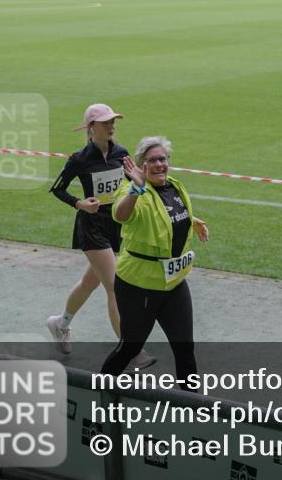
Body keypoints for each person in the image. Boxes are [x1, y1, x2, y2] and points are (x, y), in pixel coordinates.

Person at [46, 103, 155, 371]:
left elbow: (131, 185)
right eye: (106, 122)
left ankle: (60, 323)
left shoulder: (122, 154)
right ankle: (131, 349)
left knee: (89, 283)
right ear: (91, 128)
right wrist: (80, 204)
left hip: (115, 226)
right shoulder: (80, 159)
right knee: (115, 287)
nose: (112, 125)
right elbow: (58, 189)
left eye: (113, 121)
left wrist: (137, 187)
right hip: (91, 229)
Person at [100, 136, 209, 386]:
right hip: (139, 286)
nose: (159, 164)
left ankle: (191, 408)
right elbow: (121, 215)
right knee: (130, 347)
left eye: (163, 159)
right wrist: (136, 188)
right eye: (152, 160)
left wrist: (192, 220)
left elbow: (168, 215)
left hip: (173, 283)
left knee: (185, 347)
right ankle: (100, 391)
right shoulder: (132, 191)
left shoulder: (174, 186)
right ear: (141, 165)